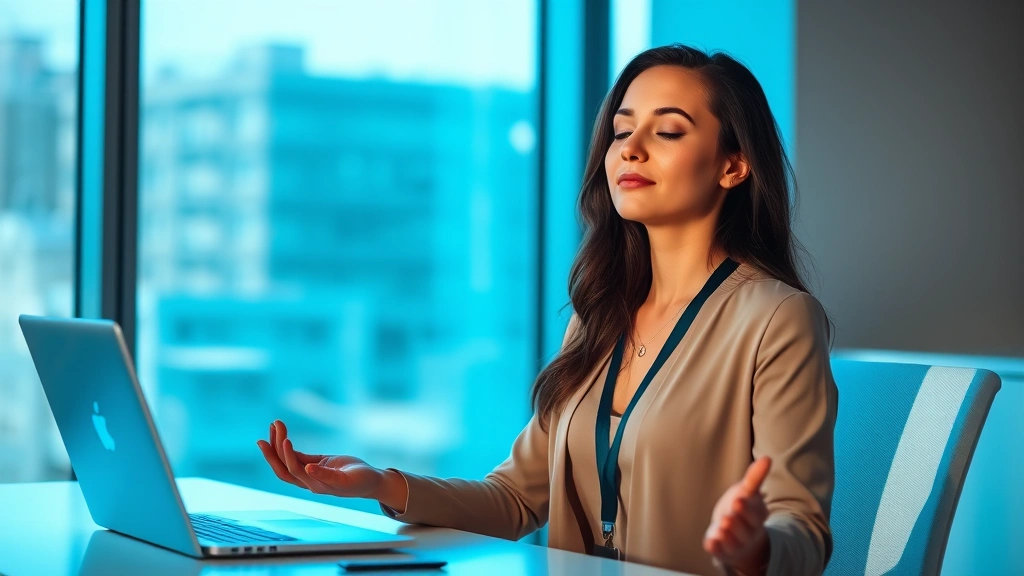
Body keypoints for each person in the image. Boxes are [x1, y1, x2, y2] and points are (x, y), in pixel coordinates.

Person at [257, 44, 837, 576]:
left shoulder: (775, 319)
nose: (630, 148)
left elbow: (802, 529)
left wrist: (755, 548)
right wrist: (383, 483)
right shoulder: (602, 311)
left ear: (734, 165)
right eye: (621, 130)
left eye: (667, 132)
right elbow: (515, 500)